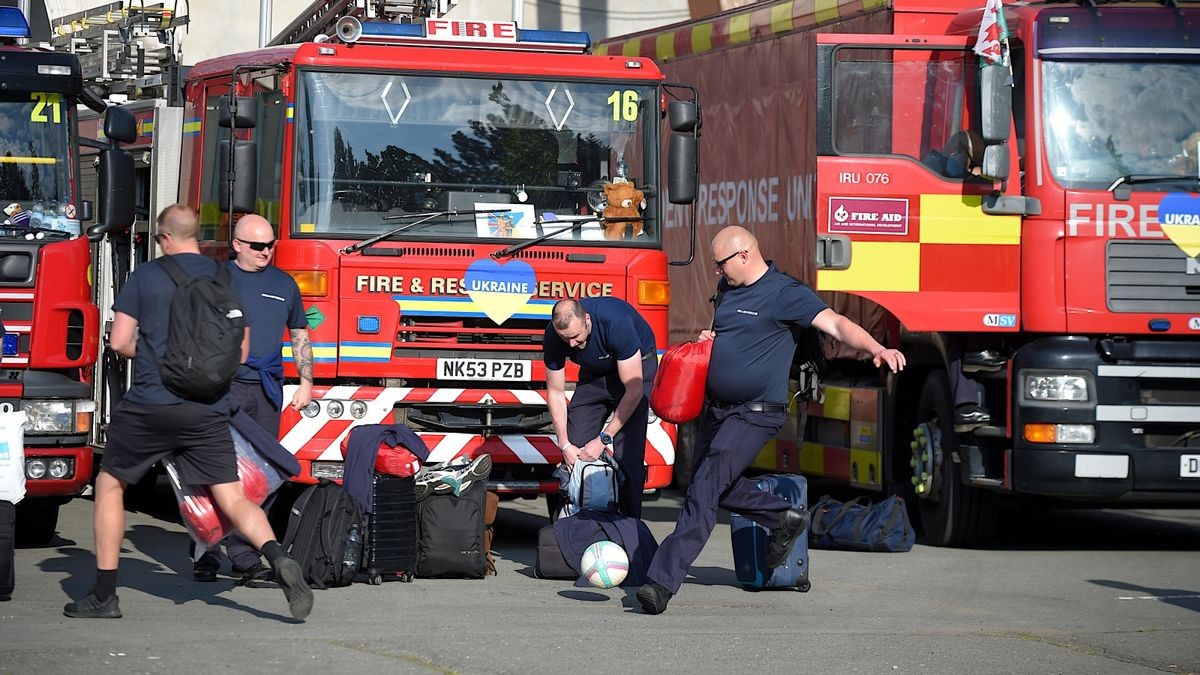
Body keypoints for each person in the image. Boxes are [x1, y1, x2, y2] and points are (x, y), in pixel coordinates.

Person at [636, 226, 906, 615]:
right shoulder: (729, 289)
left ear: (744, 255)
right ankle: (782, 518)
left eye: (720, 263)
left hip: (755, 413)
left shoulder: (785, 293)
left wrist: (878, 347)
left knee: (703, 492)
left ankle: (661, 582)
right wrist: (710, 337)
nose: (716, 272)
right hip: (718, 410)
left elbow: (837, 324)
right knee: (711, 486)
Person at [64, 205, 313, 621]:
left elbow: (121, 341)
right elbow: (243, 351)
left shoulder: (146, 276)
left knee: (110, 486)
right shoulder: (225, 278)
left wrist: (160, 356)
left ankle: (105, 594)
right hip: (208, 408)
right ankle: (276, 556)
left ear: (163, 238)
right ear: (199, 234)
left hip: (150, 406)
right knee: (232, 496)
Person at [191, 213, 313, 584]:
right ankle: (205, 551)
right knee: (213, 470)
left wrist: (305, 381)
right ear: (237, 244)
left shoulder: (284, 283)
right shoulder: (214, 279)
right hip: (220, 389)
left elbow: (299, 334)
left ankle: (244, 556)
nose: (266, 251)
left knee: (262, 474)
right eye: (258, 245)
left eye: (271, 244)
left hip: (264, 388)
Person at [543, 297, 657, 519]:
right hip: (595, 372)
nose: (572, 345)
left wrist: (604, 438)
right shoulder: (554, 336)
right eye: (565, 339)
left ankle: (629, 531)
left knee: (628, 459)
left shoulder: (616, 322)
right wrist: (564, 443)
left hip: (635, 367)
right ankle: (574, 528)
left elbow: (633, 391)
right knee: (575, 451)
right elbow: (555, 392)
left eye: (575, 337)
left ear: (587, 320)